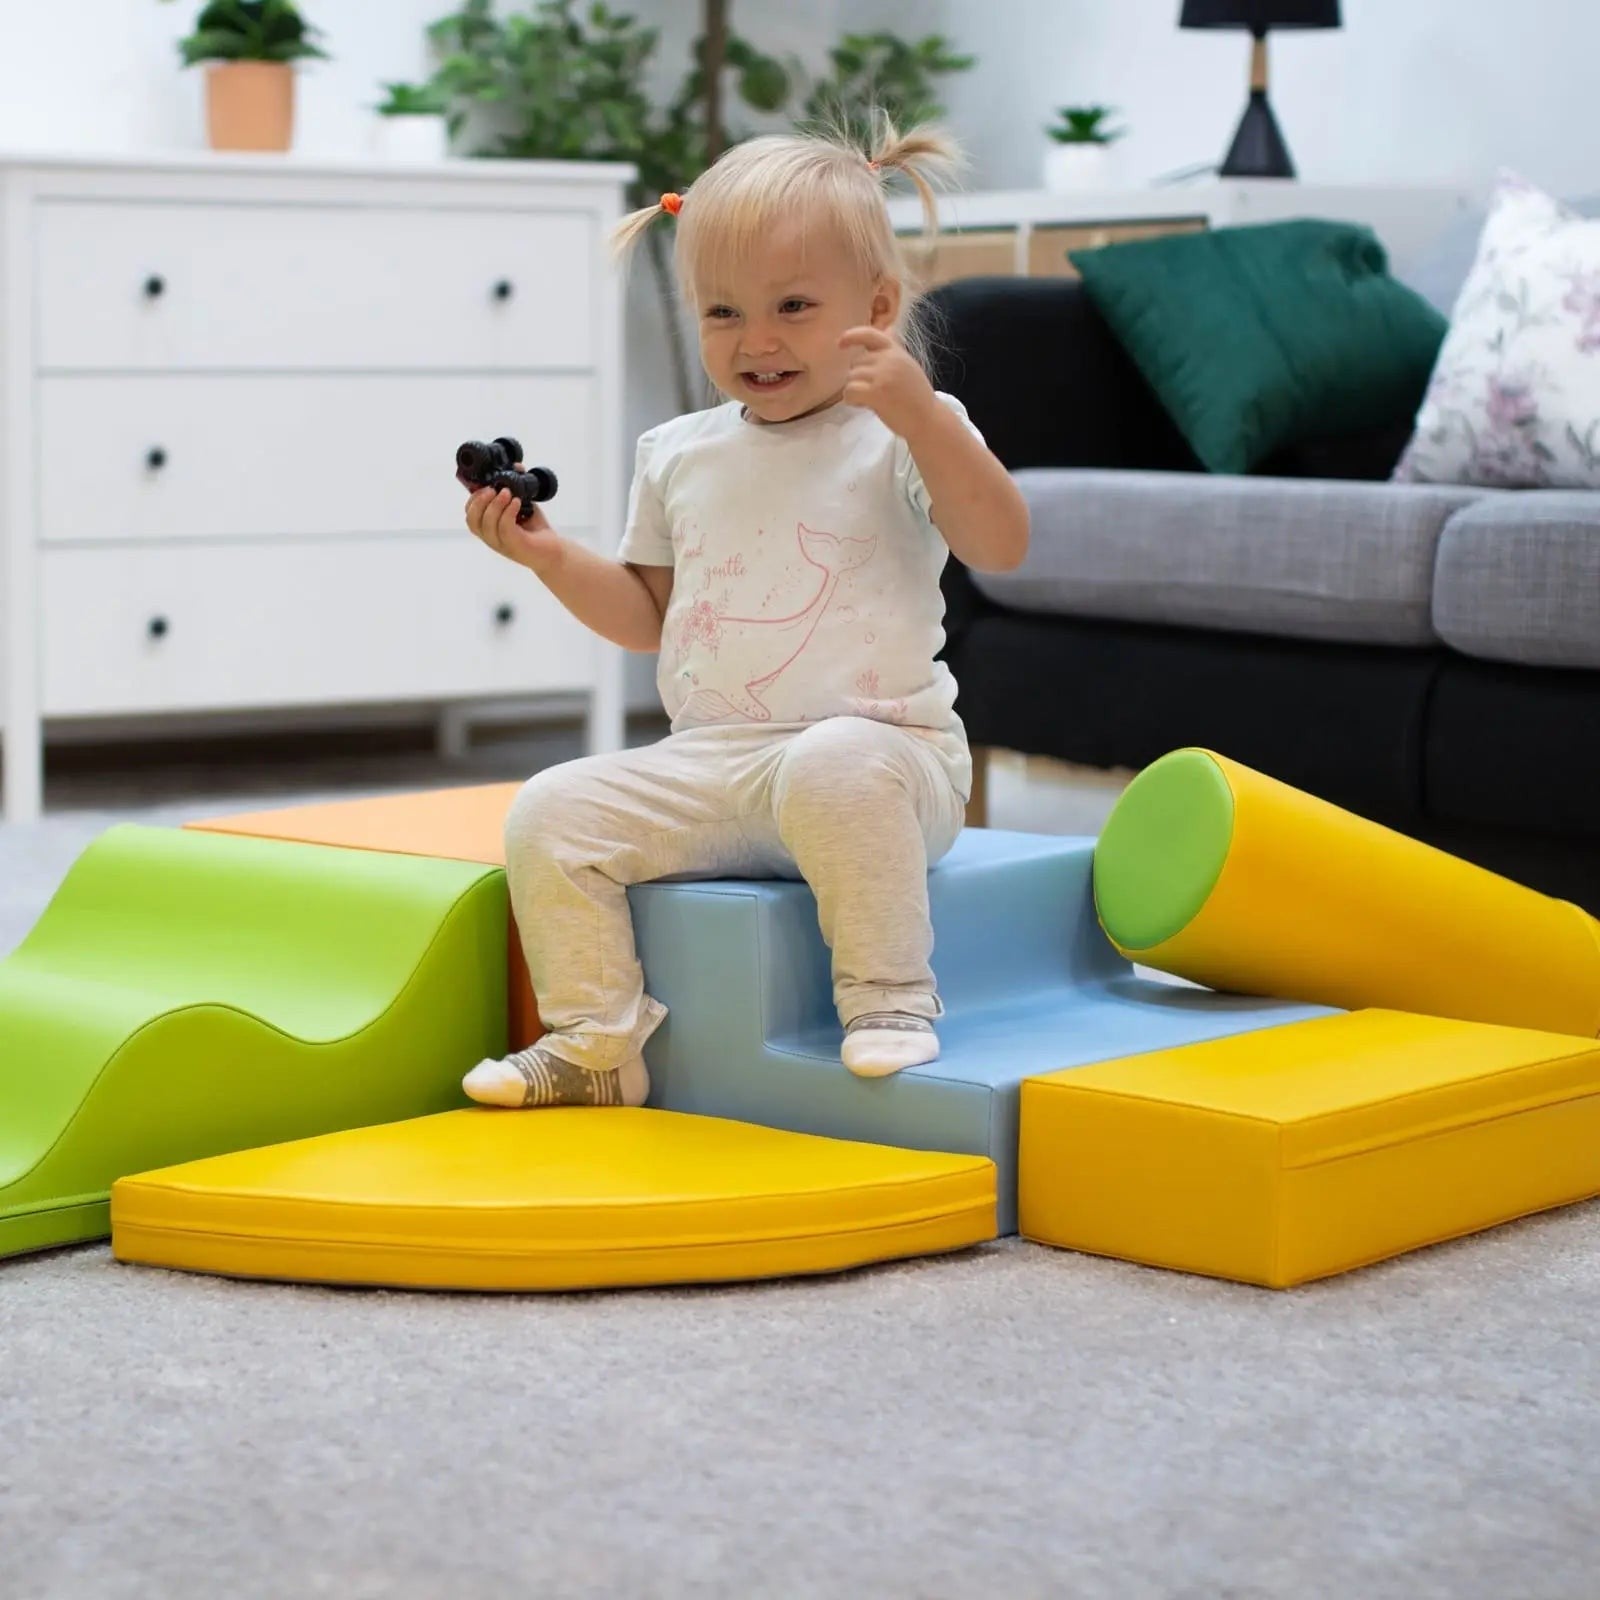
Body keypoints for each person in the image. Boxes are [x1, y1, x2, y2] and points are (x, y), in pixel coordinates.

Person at [460, 116, 1029, 1110]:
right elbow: (648, 618)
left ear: (878, 308)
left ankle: (891, 999)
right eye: (722, 312)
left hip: (886, 760)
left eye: (793, 307)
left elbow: (1001, 545)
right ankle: (596, 1039)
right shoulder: (678, 451)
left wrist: (923, 417)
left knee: (831, 763)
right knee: (550, 810)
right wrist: (545, 552)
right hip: (717, 767)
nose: (755, 340)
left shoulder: (902, 435)